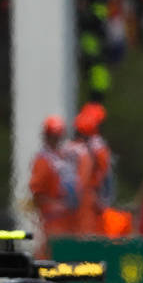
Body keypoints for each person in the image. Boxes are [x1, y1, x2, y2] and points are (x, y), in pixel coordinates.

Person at [28, 116, 78, 256]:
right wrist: (51, 206)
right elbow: (36, 192)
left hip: (68, 218)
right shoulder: (43, 161)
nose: (55, 139)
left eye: (57, 136)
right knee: (50, 253)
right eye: (52, 136)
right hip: (52, 219)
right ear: (46, 136)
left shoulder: (63, 157)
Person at [73, 102, 112, 234]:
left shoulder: (70, 147)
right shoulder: (98, 148)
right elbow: (105, 176)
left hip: (76, 202)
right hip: (89, 200)